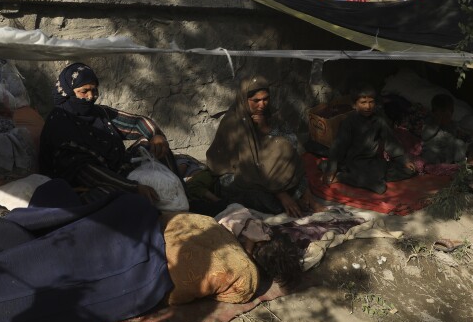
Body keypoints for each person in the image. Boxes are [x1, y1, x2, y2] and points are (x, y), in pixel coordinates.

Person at [39, 62, 174, 204]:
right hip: (82, 187)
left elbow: (136, 122)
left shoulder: (99, 114)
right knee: (115, 198)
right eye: (84, 91)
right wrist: (132, 187)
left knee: (156, 145)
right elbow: (84, 171)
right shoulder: (60, 124)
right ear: (68, 92)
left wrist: (156, 135)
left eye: (94, 90)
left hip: (117, 171)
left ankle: (179, 195)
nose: (91, 96)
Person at [205, 76, 325, 217]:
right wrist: (281, 194)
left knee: (289, 154)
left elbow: (292, 143)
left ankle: (306, 197)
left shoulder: (270, 114)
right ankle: (288, 198)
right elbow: (248, 165)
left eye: (265, 99)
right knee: (267, 201)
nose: (262, 105)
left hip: (268, 169)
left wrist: (265, 129)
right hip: (239, 173)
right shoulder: (233, 122)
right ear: (245, 99)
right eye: (256, 101)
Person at [321, 84, 416, 194]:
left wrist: (404, 160)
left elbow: (391, 142)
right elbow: (338, 147)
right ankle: (342, 177)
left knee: (409, 171)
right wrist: (331, 170)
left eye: (371, 102)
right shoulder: (348, 123)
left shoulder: (379, 121)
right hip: (354, 163)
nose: (368, 106)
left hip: (372, 162)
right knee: (380, 188)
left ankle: (364, 176)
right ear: (354, 105)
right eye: (363, 103)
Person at [421, 93, 468, 164]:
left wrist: (462, 135)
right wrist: (436, 124)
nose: (442, 118)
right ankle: (436, 167)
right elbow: (424, 136)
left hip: (448, 153)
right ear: (433, 113)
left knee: (460, 143)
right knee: (429, 155)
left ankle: (460, 164)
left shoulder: (453, 125)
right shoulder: (429, 123)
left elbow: (461, 134)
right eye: (439, 115)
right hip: (434, 151)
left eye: (446, 116)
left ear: (452, 113)